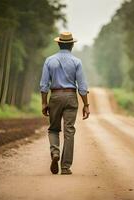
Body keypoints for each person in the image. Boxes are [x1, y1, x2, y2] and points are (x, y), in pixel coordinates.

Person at [39, 32, 90, 175]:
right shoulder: (77, 62)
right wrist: (86, 105)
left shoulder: (49, 60)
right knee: (69, 131)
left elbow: (44, 85)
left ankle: (55, 152)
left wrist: (44, 103)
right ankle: (66, 167)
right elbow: (83, 87)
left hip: (55, 96)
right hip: (70, 96)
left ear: (58, 43)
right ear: (72, 45)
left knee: (54, 129)